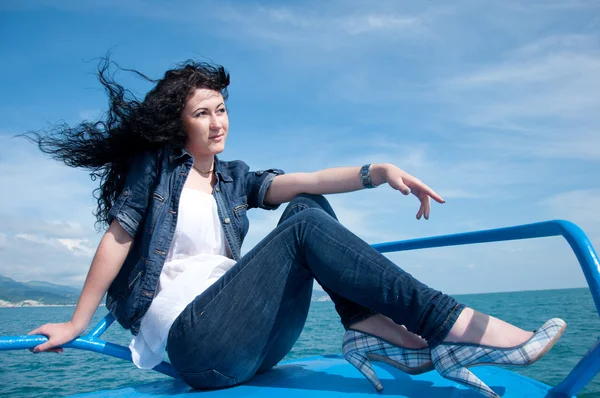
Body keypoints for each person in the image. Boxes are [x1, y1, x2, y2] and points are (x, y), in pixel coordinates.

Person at [25, 58, 565, 398]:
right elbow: (118, 237)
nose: (218, 122)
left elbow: (307, 180)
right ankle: (455, 328)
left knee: (306, 206)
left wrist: (376, 172)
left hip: (257, 340)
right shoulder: (158, 171)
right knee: (304, 229)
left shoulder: (234, 181)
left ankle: (366, 326)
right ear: (178, 124)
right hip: (200, 344)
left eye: (222, 109)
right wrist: (76, 322)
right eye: (202, 114)